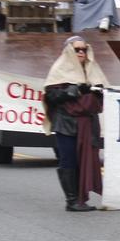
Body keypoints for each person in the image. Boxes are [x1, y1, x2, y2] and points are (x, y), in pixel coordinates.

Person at [42, 36, 106, 212]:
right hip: (66, 122)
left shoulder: (93, 70)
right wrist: (74, 91)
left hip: (88, 123)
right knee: (68, 159)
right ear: (69, 50)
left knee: (84, 160)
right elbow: (51, 97)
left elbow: (103, 96)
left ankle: (80, 199)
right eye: (77, 49)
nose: (81, 52)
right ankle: (72, 200)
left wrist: (96, 92)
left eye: (84, 49)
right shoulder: (59, 69)